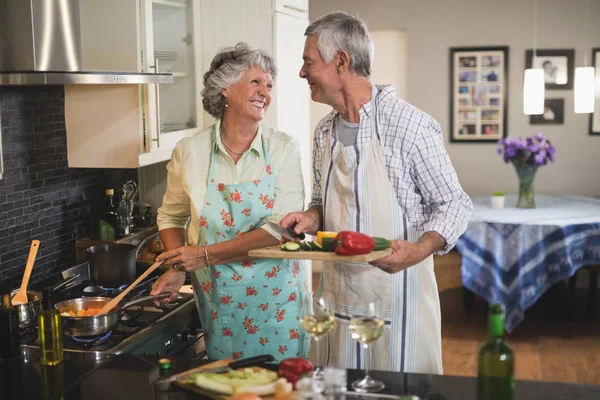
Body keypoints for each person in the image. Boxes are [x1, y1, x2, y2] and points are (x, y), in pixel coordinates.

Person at [281, 12, 473, 374]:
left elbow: (455, 204)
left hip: (399, 298)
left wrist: (418, 249)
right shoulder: (324, 131)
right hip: (337, 297)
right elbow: (324, 203)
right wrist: (310, 217)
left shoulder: (410, 125)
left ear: (341, 62)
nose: (302, 73)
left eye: (308, 62)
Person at [150, 42, 309, 361]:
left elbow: (282, 230)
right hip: (219, 305)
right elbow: (171, 217)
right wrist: (178, 266)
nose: (265, 90)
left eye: (269, 85)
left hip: (278, 308)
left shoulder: (282, 149)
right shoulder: (190, 151)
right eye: (256, 81)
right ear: (224, 88)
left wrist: (204, 256)